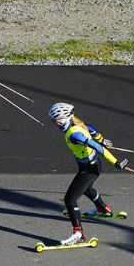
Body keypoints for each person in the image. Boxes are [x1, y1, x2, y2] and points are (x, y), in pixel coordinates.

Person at [48, 102, 129, 245]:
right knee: (86, 189)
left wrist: (116, 162)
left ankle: (78, 233)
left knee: (69, 200)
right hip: (88, 166)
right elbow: (90, 129)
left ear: (63, 119)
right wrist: (102, 138)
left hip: (89, 169)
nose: (54, 123)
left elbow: (97, 147)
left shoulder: (74, 135)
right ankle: (103, 209)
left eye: (55, 120)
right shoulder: (76, 123)